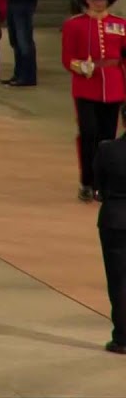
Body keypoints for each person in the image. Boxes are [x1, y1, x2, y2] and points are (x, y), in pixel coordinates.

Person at [63, 0, 125, 203]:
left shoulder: (120, 24)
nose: (98, 2)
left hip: (114, 85)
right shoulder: (74, 25)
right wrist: (80, 66)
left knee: (107, 137)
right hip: (86, 86)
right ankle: (86, 180)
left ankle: (103, 183)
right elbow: (67, 58)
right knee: (88, 133)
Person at [94, 126, 126, 354]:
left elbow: (99, 189)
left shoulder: (107, 150)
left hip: (114, 220)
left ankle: (122, 338)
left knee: (118, 282)